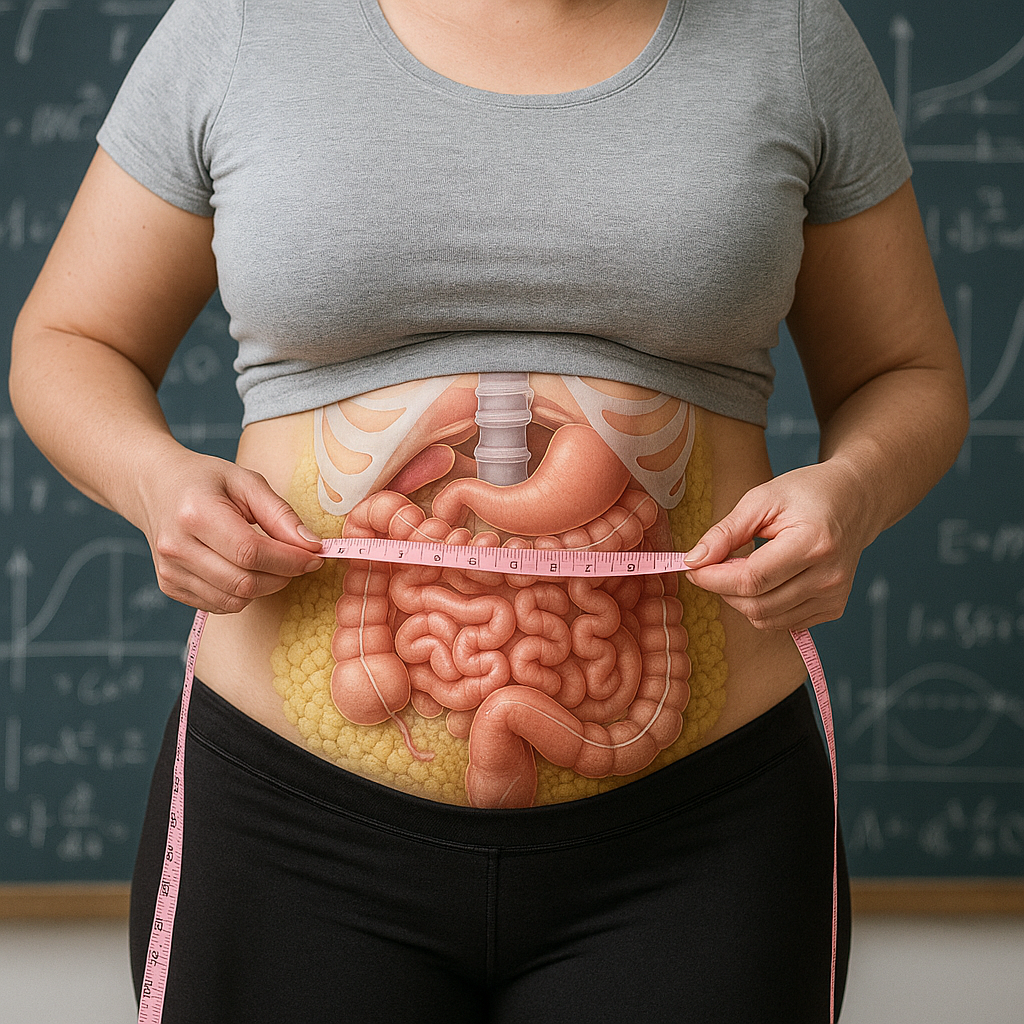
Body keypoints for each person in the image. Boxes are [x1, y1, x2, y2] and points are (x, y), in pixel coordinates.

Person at [9, 0, 968, 1019]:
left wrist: (851, 492)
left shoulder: (787, 32)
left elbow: (904, 373)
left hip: (697, 834)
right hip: (288, 825)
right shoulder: (244, 24)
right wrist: (154, 479)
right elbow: (70, 340)